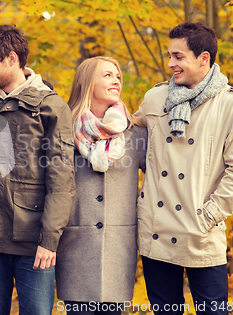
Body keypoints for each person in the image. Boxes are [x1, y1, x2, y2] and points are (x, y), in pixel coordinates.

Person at [135, 22, 233, 315]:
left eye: (178, 57)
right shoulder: (156, 98)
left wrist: (208, 217)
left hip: (201, 234)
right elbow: (128, 136)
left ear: (204, 58)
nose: (170, 64)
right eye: (169, 55)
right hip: (157, 232)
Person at [0, 24, 76, 315]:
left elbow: (61, 181)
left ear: (11, 59)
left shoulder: (51, 107)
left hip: (34, 242)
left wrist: (49, 241)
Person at [55, 56, 147, 315]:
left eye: (118, 75)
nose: (116, 80)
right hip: (75, 248)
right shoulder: (64, 131)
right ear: (87, 82)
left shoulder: (136, 133)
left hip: (118, 249)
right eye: (107, 75)